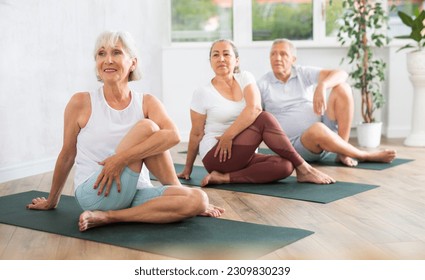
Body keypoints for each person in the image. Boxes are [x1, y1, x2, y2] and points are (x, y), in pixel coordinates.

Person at [26, 31, 224, 231]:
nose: (108, 60)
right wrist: (52, 200)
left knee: (199, 199)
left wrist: (120, 159)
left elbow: (173, 135)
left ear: (133, 63)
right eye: (101, 54)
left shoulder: (147, 102)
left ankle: (111, 217)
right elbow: (68, 154)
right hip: (96, 191)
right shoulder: (81, 102)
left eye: (117, 53)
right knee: (148, 128)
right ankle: (108, 210)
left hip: (135, 192)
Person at [177, 39, 335, 187]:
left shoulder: (245, 77)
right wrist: (187, 169)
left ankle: (224, 178)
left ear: (236, 60)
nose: (221, 59)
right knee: (264, 118)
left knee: (285, 166)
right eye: (215, 55)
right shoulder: (202, 92)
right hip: (217, 154)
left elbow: (255, 107)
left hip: (243, 153)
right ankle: (305, 168)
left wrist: (229, 135)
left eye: (226, 54)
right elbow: (196, 133)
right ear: (211, 61)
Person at [257, 39, 396, 167]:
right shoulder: (263, 84)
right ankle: (365, 155)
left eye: (283, 54)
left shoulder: (302, 73)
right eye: (273, 54)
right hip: (295, 145)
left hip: (324, 130)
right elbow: (255, 117)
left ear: (293, 59)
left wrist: (322, 85)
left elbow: (342, 74)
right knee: (316, 129)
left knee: (343, 88)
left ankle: (343, 151)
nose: (277, 58)